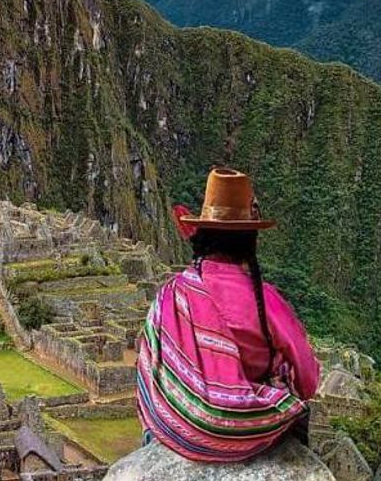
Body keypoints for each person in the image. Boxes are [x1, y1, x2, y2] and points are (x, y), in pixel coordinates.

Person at [136, 166, 321, 462]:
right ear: (251, 238)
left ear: (201, 235)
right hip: (247, 434)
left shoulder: (172, 295)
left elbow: (152, 365)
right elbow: (307, 381)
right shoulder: (267, 300)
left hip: (178, 429)